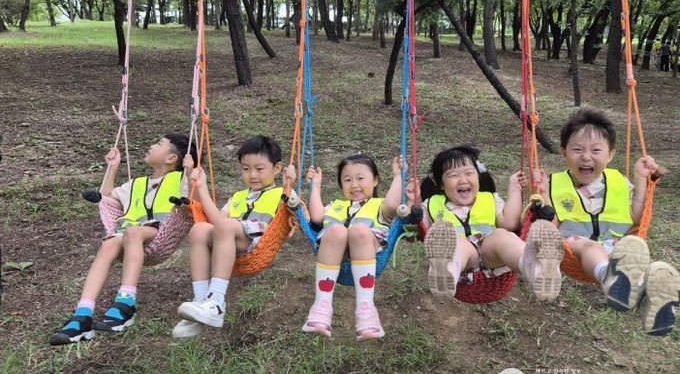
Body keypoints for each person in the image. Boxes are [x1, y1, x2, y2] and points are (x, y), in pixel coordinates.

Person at [537, 108, 680, 336]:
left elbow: (635, 217)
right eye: (577, 149)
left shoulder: (618, 181)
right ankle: (608, 276)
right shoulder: (554, 183)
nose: (586, 157)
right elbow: (550, 224)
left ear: (610, 155)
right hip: (573, 246)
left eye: (596, 150)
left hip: (616, 244)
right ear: (564, 152)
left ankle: (653, 301)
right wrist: (543, 193)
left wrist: (640, 179)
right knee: (591, 247)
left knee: (631, 255)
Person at [50, 134, 195, 345]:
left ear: (171, 158)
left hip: (158, 233)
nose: (152, 145)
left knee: (133, 232)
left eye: (159, 144)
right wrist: (113, 167)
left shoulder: (180, 180)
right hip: (127, 234)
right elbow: (107, 197)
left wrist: (190, 172)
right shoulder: (136, 184)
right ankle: (83, 314)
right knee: (108, 243)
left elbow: (194, 199)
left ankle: (126, 302)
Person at [173, 135, 294, 338]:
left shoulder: (282, 193)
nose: (252, 175)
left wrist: (290, 183)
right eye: (246, 169)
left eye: (259, 169)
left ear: (277, 168)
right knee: (199, 229)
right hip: (228, 240)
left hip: (257, 243)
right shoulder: (237, 197)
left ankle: (216, 300)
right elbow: (216, 222)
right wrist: (201, 187)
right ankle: (201, 301)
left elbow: (300, 212)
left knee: (226, 225)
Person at [419, 146, 564, 303]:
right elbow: (417, 230)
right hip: (464, 263)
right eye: (453, 175)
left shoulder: (490, 199)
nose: (462, 180)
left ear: (478, 177)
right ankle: (445, 272)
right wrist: (411, 204)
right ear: (441, 184)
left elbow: (509, 223)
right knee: (455, 243)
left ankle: (538, 268)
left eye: (469, 173)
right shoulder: (431, 205)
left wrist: (515, 189)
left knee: (502, 236)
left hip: (492, 256)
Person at [302, 153, 402, 341]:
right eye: (347, 180)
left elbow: (392, 204)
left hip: (367, 248)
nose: (354, 185)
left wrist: (398, 176)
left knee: (359, 230)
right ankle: (322, 307)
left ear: (375, 181)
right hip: (335, 251)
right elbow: (316, 217)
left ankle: (366, 310)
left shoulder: (380, 206)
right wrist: (315, 186)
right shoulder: (336, 205)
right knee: (336, 230)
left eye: (360, 178)